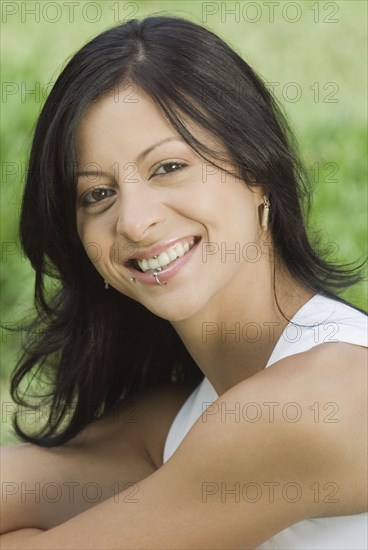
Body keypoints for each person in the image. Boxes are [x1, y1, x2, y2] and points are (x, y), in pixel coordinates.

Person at [1, 15, 367, 550]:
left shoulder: (330, 396)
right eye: (97, 195)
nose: (133, 220)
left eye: (167, 167)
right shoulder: (174, 427)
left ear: (256, 171)